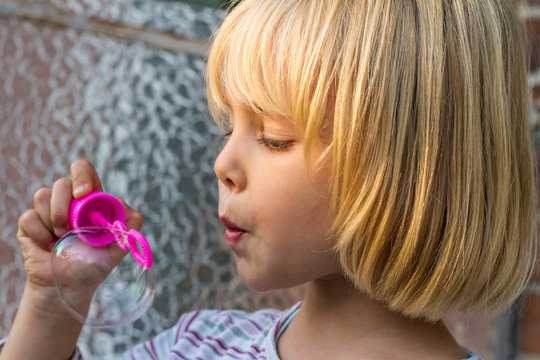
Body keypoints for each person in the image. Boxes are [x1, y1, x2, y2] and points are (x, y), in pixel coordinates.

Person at [0, 0, 537, 358]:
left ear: (412, 168)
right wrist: (50, 306)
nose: (222, 164)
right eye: (229, 127)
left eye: (275, 136)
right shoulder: (198, 349)